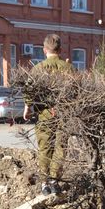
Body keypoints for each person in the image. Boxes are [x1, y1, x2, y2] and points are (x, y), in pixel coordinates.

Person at [23, 33, 72, 195]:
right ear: (61, 50)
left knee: (45, 148)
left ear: (44, 50)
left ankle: (44, 183)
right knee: (60, 148)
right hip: (64, 115)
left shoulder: (38, 69)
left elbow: (29, 91)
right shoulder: (69, 69)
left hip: (44, 115)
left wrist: (27, 107)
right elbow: (77, 92)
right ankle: (54, 180)